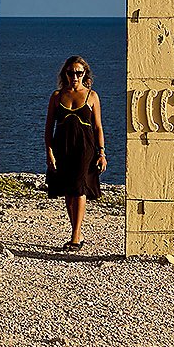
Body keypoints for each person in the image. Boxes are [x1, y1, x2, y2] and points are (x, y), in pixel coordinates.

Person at [44, 55, 106, 250]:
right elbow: (48, 128)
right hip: (62, 147)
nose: (75, 77)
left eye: (79, 73)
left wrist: (102, 153)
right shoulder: (56, 96)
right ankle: (76, 231)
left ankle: (75, 236)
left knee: (79, 189)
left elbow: (98, 127)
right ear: (65, 74)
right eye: (71, 73)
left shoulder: (92, 96)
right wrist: (49, 152)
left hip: (85, 148)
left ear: (85, 73)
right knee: (68, 192)